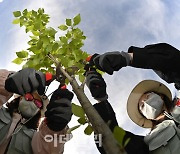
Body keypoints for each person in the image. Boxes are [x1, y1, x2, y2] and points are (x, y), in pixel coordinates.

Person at [85, 43, 180, 154]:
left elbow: (174, 61)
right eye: (142, 106)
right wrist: (100, 98)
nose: (145, 102)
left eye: (148, 96)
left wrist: (128, 58)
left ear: (161, 96)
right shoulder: (147, 143)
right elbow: (109, 141)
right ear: (144, 116)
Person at [0, 68, 74, 154]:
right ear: (20, 98)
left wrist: (55, 130)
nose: (32, 101)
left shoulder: (36, 138)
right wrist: (6, 83)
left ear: (39, 111)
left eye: (38, 103)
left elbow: (49, 149)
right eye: (29, 97)